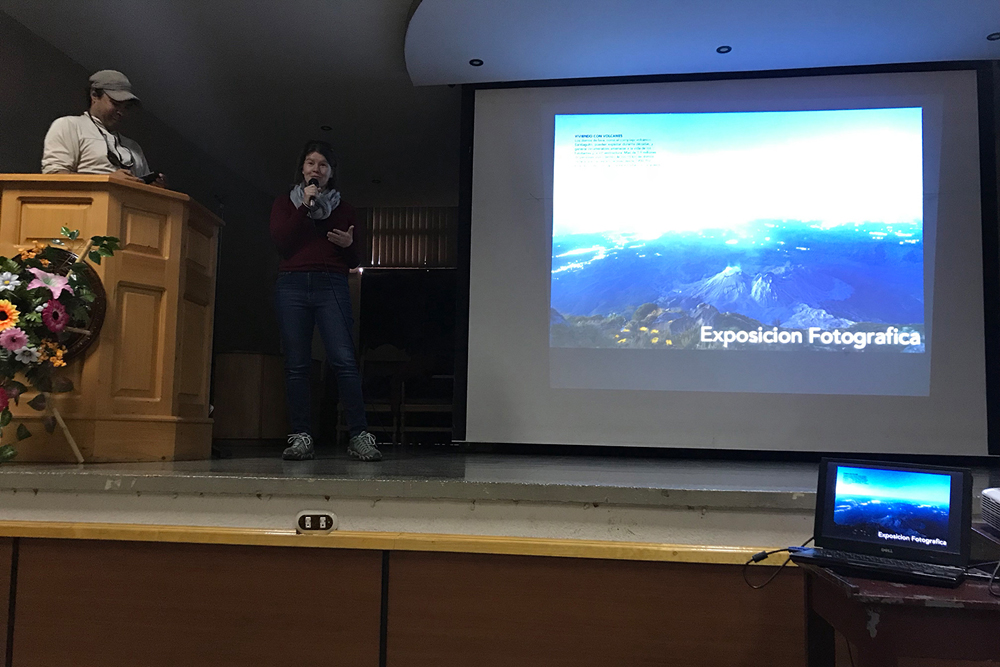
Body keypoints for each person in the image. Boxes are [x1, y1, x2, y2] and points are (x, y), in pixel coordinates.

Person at [269, 140, 381, 462]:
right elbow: (282, 243)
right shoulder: (284, 203)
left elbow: (356, 259)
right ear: (302, 169)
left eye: (322, 165)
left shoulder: (345, 210)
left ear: (331, 173)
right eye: (310, 163)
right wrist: (305, 207)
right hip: (291, 285)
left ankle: (359, 435)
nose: (315, 170)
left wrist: (348, 245)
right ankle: (301, 436)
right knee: (297, 365)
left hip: (331, 283)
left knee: (344, 361)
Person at [41, 70, 164, 185]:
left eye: (126, 107)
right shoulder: (69, 126)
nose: (121, 112)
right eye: (115, 104)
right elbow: (53, 177)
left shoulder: (133, 147)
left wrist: (153, 187)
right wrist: (107, 180)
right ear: (94, 95)